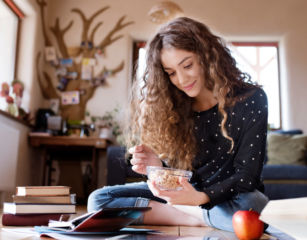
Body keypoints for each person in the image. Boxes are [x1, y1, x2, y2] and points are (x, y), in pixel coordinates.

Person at [88, 17, 270, 232]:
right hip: (186, 195)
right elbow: (182, 175)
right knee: (98, 200)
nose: (182, 79)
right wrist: (157, 168)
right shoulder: (173, 106)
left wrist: (200, 198)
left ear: (208, 56)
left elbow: (247, 177)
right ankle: (198, 218)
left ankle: (187, 212)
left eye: (187, 65)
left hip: (231, 197)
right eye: (171, 73)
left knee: (254, 205)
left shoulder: (251, 98)